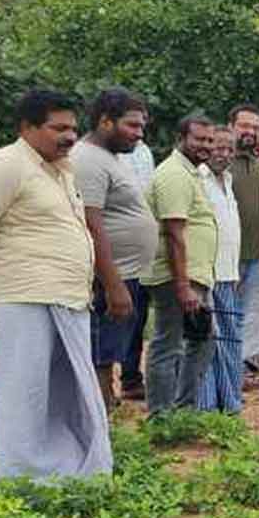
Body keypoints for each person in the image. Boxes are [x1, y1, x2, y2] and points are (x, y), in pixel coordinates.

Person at [0, 88, 112, 481]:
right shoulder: (5, 165)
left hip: (67, 295)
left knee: (67, 391)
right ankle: (20, 479)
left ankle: (68, 474)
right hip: (22, 295)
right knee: (24, 394)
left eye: (72, 127)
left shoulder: (62, 169)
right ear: (27, 127)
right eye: (58, 128)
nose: (69, 136)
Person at [72, 88, 158, 411]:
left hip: (125, 274)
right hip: (109, 277)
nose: (139, 134)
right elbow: (91, 226)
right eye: (132, 125)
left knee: (110, 351)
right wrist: (113, 285)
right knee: (100, 354)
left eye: (141, 126)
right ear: (105, 122)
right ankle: (97, 417)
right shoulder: (87, 160)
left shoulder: (111, 158)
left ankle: (103, 411)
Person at [142, 115, 219, 416]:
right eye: (199, 139)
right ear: (181, 138)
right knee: (168, 344)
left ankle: (184, 409)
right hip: (177, 277)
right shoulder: (174, 174)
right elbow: (175, 232)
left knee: (201, 339)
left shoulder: (192, 174)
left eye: (210, 140)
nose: (205, 146)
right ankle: (161, 416)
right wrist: (183, 284)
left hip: (193, 276)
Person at [197, 125, 244, 413]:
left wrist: (235, 271)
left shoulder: (227, 180)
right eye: (218, 146)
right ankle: (206, 405)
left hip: (227, 274)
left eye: (230, 149)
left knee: (228, 338)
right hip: (206, 274)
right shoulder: (197, 180)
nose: (224, 154)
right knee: (204, 340)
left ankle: (229, 401)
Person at [228, 105, 259, 375]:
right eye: (244, 126)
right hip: (227, 257)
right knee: (225, 317)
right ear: (231, 125)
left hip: (253, 254)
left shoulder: (257, 164)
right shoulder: (221, 161)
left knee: (242, 316)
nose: (250, 132)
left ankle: (235, 369)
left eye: (256, 128)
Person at [117, 136, 156, 400]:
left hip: (142, 255)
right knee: (113, 320)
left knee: (138, 316)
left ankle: (131, 379)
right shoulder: (105, 155)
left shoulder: (144, 152)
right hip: (117, 255)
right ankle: (107, 384)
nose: (138, 130)